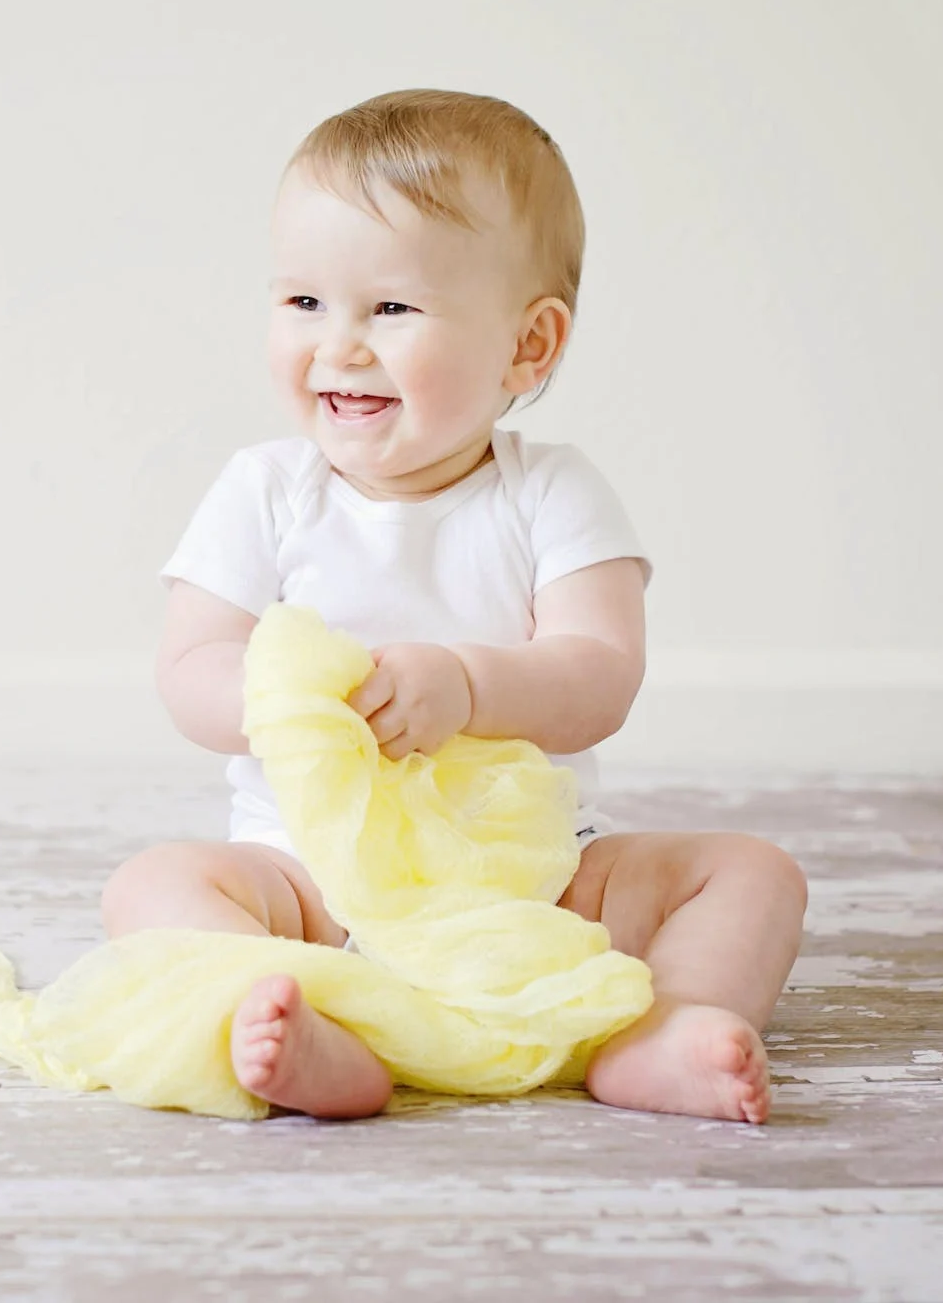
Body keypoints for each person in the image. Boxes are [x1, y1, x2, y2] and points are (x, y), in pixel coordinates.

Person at [102, 88, 808, 1123]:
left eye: (389, 309)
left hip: (529, 885)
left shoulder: (549, 493)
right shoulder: (263, 491)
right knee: (151, 886)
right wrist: (293, 706)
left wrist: (467, 685)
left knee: (753, 874)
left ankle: (665, 1030)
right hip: (308, 879)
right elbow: (189, 668)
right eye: (302, 302)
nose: (337, 345)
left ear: (527, 346)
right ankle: (312, 1024)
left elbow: (598, 673)